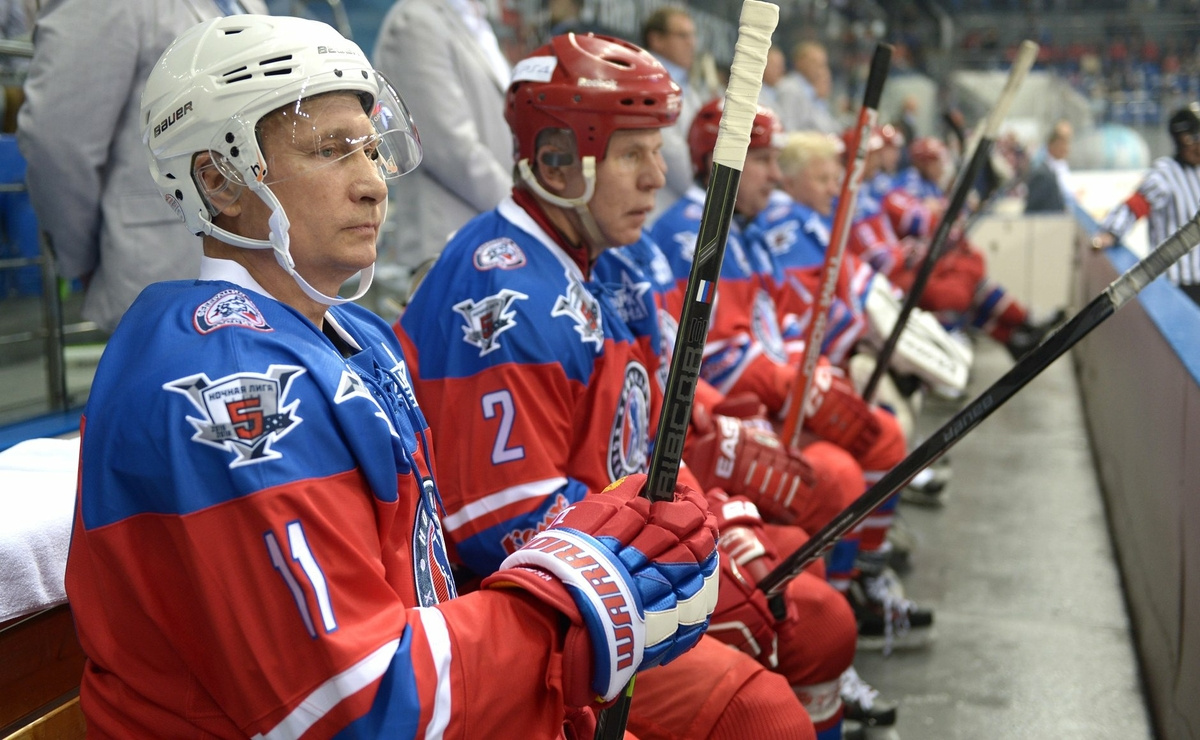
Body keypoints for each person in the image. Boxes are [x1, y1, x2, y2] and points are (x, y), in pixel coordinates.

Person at [66, 16, 718, 738]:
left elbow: (416, 600)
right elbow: (360, 704)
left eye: (373, 149)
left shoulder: (358, 336)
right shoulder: (219, 387)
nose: (374, 184)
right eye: (330, 150)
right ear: (219, 180)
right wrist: (578, 590)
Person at [397, 32, 846, 740]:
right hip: (541, 616)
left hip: (614, 561)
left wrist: (710, 520)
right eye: (632, 154)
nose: (656, 176)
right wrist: (671, 563)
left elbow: (650, 447)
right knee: (764, 716)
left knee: (808, 585)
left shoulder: (609, 266)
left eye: (656, 151)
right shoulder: (499, 295)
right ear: (556, 160)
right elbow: (504, 529)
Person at [15, 0, 267, 334]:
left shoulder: (249, 4)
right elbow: (58, 142)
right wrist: (83, 260)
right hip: (164, 266)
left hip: (268, 262)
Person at [372, 0, 514, 294]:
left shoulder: (476, 22)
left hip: (492, 239)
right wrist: (521, 209)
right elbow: (452, 149)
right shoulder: (416, 22)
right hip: (451, 247)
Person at [1093, 103, 1200, 305]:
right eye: (1195, 139)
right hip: (1175, 283)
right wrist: (1110, 233)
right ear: (1182, 140)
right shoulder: (1166, 173)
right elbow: (1135, 206)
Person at [641, 5, 704, 219]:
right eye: (683, 36)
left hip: (686, 205)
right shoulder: (648, 80)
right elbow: (675, 159)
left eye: (692, 36)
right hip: (659, 211)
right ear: (656, 39)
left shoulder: (687, 83)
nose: (691, 43)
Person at [775, 40, 839, 135]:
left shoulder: (812, 90)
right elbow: (787, 127)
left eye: (822, 63)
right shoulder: (789, 88)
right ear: (800, 62)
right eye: (814, 62)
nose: (819, 67)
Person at [1024, 119, 1073, 213]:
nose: (1067, 148)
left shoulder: (1061, 165)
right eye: (1063, 142)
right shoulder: (1042, 173)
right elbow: (1033, 211)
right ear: (1052, 143)